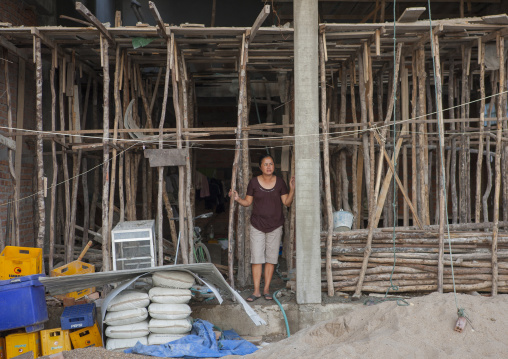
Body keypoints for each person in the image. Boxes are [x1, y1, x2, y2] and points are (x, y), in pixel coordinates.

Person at [229, 154, 295, 301]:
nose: (269, 166)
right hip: (257, 225)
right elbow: (247, 202)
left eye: (271, 164)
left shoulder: (280, 183)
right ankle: (256, 291)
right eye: (265, 164)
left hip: (275, 225)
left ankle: (266, 290)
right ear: (260, 167)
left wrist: (292, 189)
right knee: (257, 258)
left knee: (271, 259)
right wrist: (237, 199)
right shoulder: (253, 183)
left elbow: (287, 203)